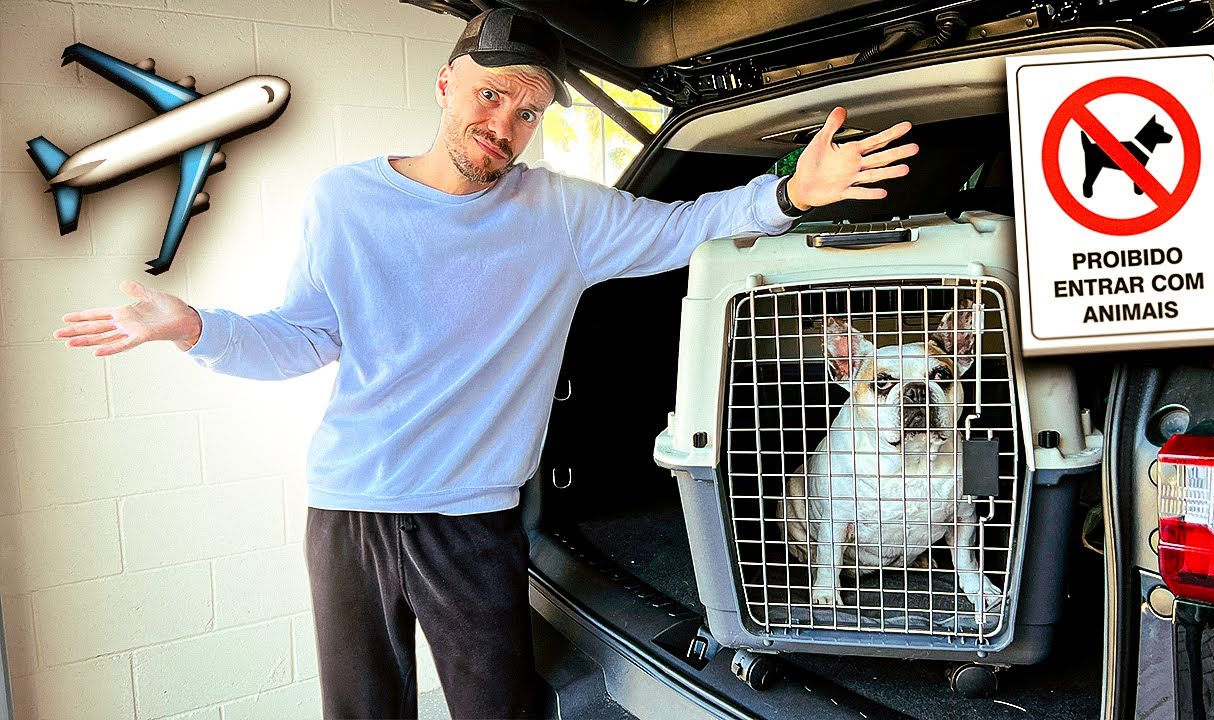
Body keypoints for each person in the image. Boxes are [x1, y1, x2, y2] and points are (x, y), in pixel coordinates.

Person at [54, 8, 917, 720]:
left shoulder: (562, 216)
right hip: (348, 509)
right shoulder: (345, 202)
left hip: (471, 522)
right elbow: (306, 338)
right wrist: (194, 326)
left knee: (501, 710)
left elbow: (682, 227)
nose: (503, 125)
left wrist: (789, 195)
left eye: (528, 112)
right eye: (490, 94)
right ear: (446, 84)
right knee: (359, 712)